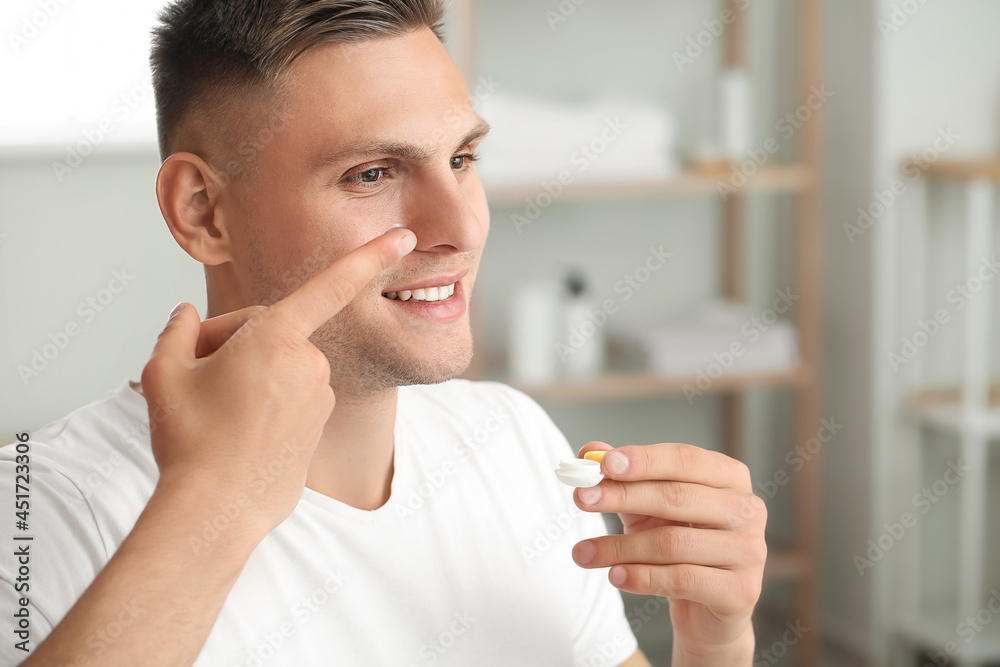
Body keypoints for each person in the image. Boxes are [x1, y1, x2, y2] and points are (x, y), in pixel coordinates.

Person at [0, 1, 767, 665]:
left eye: (462, 158)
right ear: (203, 210)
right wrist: (211, 501)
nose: (463, 225)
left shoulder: (514, 440)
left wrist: (715, 645)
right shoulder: (40, 510)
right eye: (372, 173)